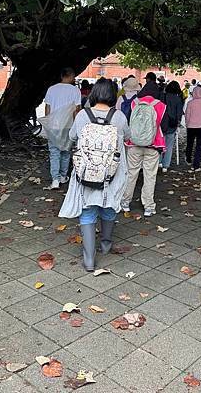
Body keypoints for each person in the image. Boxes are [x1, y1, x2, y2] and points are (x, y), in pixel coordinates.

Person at [58, 78, 130, 271]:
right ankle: (106, 244)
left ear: (94, 93)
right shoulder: (119, 116)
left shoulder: (83, 115)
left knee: (88, 210)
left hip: (86, 171)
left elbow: (73, 136)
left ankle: (89, 259)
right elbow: (128, 137)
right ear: (113, 95)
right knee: (109, 206)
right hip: (112, 172)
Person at [122, 72, 166, 217]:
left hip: (133, 143)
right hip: (153, 145)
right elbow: (163, 126)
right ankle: (148, 206)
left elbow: (129, 121)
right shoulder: (161, 105)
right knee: (150, 176)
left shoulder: (135, 102)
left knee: (131, 173)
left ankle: (125, 202)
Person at [44, 67, 81, 189]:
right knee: (66, 151)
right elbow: (77, 110)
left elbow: (47, 109)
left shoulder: (51, 89)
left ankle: (55, 179)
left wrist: (48, 122)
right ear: (70, 76)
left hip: (54, 125)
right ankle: (63, 176)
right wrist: (77, 125)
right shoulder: (75, 90)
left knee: (54, 152)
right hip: (68, 125)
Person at [185, 85, 201, 172]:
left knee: (189, 144)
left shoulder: (190, 103)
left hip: (191, 127)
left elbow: (187, 116)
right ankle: (196, 165)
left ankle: (188, 159)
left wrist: (187, 124)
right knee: (199, 147)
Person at [161, 80, 184, 173]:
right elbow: (179, 114)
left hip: (162, 124)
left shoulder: (163, 96)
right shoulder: (178, 99)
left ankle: (158, 161)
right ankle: (165, 165)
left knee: (159, 144)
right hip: (172, 124)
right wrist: (178, 123)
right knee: (169, 145)